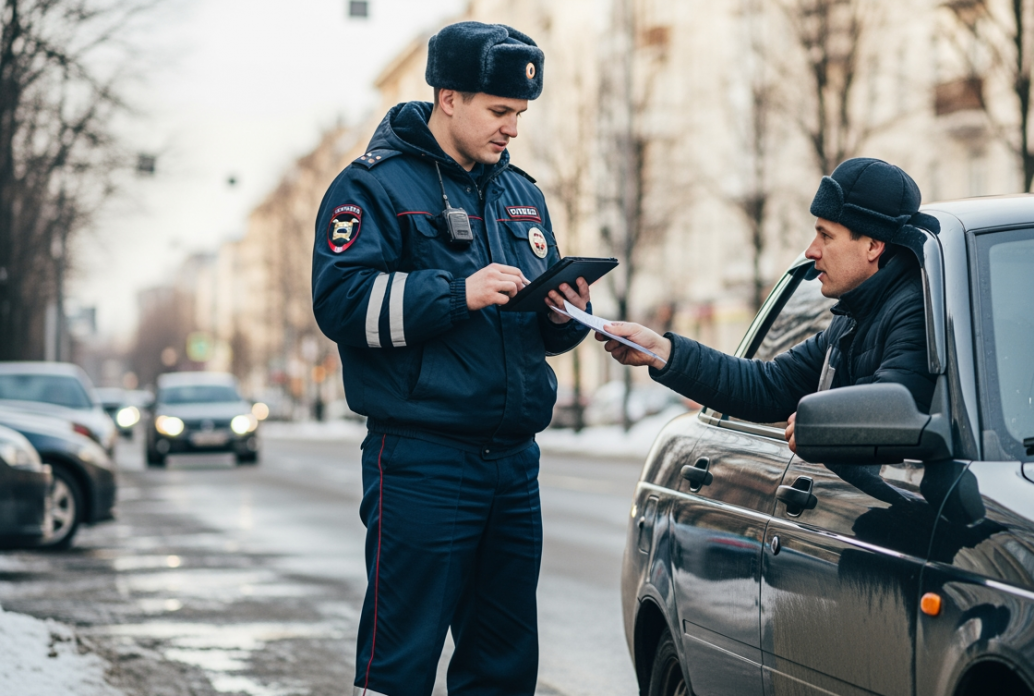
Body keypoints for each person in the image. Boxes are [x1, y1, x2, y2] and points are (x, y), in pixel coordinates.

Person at [311, 21, 592, 696]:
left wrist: (563, 317)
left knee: (503, 667)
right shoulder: (372, 188)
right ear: (448, 98)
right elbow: (340, 304)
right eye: (500, 112)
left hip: (513, 464)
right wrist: (455, 292)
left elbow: (524, 326)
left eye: (520, 114)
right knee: (399, 662)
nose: (512, 130)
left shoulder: (521, 193)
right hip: (421, 460)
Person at [600, 157, 938, 450]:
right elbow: (769, 385)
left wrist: (817, 421)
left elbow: (897, 409)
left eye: (826, 235)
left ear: (873, 245)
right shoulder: (853, 318)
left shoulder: (915, 312)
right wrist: (661, 351)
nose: (811, 251)